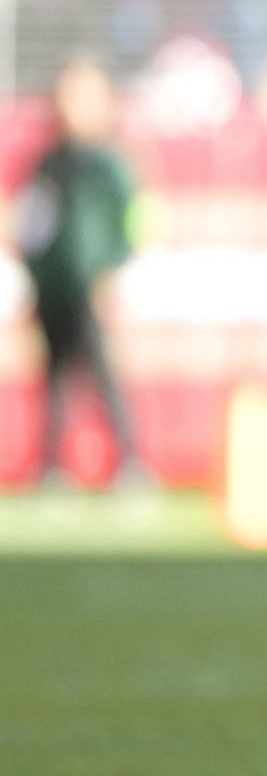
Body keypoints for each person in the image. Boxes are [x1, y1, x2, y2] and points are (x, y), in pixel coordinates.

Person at [13, 56, 149, 489]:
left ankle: (130, 463)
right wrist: (34, 274)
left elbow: (133, 223)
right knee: (53, 379)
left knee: (104, 375)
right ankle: (52, 466)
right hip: (55, 288)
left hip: (94, 287)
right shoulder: (50, 164)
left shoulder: (111, 164)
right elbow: (33, 224)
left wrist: (114, 272)